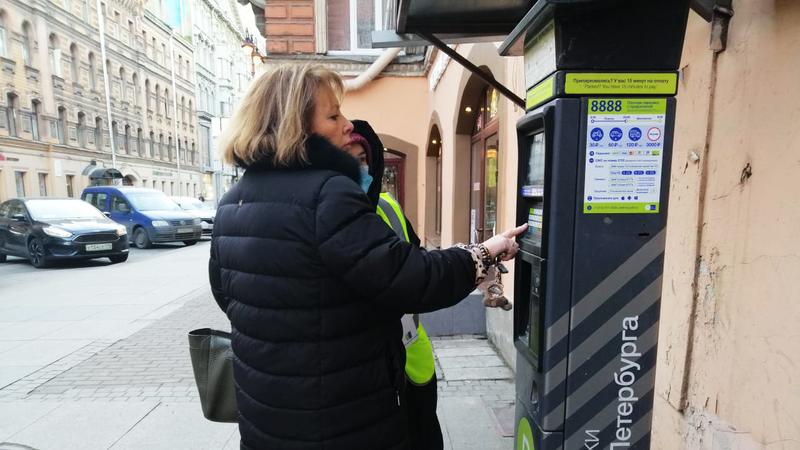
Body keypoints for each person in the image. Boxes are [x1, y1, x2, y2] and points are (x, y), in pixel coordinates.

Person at [209, 64, 526, 450]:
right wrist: (483, 253)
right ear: (295, 125)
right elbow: (412, 279)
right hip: (339, 415)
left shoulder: (232, 202)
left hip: (268, 415)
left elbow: (228, 296)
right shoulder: (327, 193)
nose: (347, 124)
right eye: (333, 114)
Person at [346, 120, 443, 449]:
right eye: (347, 158)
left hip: (414, 356)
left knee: (425, 436)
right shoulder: (327, 219)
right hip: (369, 370)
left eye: (362, 158)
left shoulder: (387, 205)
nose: (358, 167)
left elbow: (416, 264)